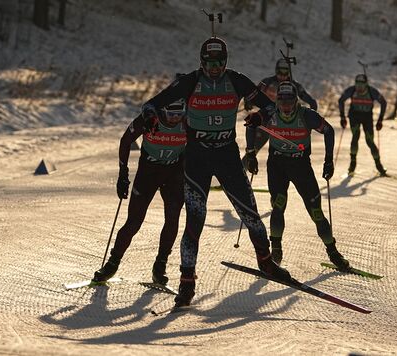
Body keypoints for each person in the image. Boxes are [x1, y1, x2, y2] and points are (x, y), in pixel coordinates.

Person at [141, 36, 291, 308]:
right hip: (197, 156)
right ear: (202, 61)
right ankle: (187, 283)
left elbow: (271, 107)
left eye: (220, 62)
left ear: (226, 61)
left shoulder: (236, 80)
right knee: (195, 220)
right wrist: (151, 118)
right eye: (210, 62)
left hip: (226, 154)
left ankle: (266, 263)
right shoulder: (189, 82)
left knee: (250, 212)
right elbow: (151, 104)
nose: (215, 68)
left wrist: (260, 117)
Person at [243, 81, 349, 269]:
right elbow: (251, 124)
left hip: (301, 167)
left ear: (296, 101)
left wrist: (329, 160)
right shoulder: (270, 113)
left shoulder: (307, 115)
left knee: (316, 212)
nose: (285, 107)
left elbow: (329, 130)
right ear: (277, 101)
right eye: (282, 102)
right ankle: (275, 251)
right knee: (278, 206)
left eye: (289, 102)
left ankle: (333, 252)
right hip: (277, 166)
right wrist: (250, 153)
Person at [92, 99, 187, 285]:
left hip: (174, 172)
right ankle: (112, 263)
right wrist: (123, 174)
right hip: (149, 172)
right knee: (134, 221)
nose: (175, 119)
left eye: (179, 114)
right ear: (162, 111)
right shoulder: (149, 119)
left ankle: (160, 265)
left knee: (173, 217)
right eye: (171, 114)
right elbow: (125, 141)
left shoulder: (187, 121)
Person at [245, 58, 318, 152]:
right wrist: (248, 102)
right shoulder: (267, 82)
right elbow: (252, 94)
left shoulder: (294, 86)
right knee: (254, 148)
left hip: (286, 123)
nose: (282, 76)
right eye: (280, 72)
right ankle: (245, 165)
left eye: (285, 73)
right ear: (276, 70)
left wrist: (310, 116)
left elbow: (311, 101)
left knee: (288, 152)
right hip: (267, 119)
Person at [338, 74, 387, 176]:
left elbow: (384, 102)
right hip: (354, 116)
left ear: (366, 84)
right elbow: (341, 100)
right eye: (357, 84)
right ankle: (353, 163)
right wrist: (342, 117)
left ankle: (378, 165)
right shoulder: (352, 90)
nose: (359, 87)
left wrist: (380, 120)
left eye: (362, 84)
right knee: (355, 136)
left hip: (367, 117)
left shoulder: (371, 91)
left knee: (369, 141)